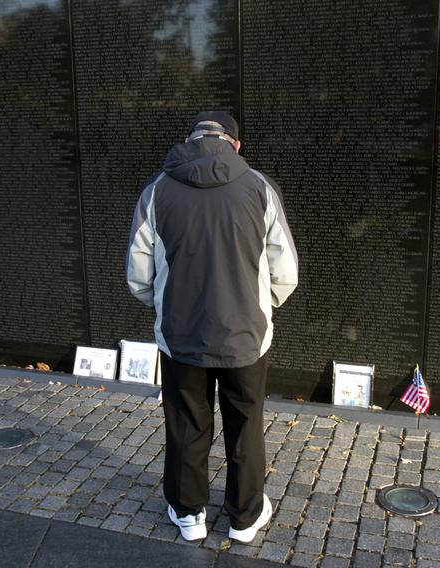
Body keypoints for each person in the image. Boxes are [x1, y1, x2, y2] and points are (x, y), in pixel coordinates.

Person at [126, 111, 298, 543]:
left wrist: (165, 307)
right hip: (246, 335)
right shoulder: (260, 188)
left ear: (190, 140)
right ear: (235, 144)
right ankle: (244, 517)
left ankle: (189, 515)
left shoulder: (158, 190)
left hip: (182, 336)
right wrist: (260, 307)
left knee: (186, 421)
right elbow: (286, 270)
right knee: (246, 421)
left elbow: (137, 273)